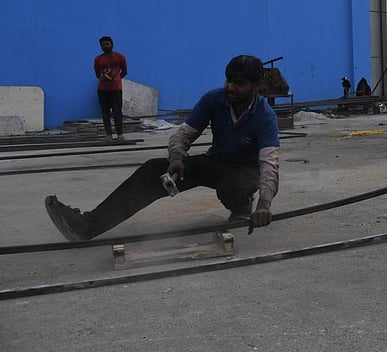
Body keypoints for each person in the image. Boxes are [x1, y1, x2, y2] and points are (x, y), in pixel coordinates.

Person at [44, 55, 280, 241]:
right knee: (152, 170)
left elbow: (269, 163)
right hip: (215, 162)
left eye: (239, 83)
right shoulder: (214, 99)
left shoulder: (265, 117)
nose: (231, 87)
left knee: (234, 185)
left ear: (256, 85)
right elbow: (184, 133)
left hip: (246, 171)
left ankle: (241, 207)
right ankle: (87, 226)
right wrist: (176, 157)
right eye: (228, 80)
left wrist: (265, 204)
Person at [94, 35, 128, 141]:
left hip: (116, 90)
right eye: (103, 45)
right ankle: (108, 134)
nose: (105, 46)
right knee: (105, 113)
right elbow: (97, 73)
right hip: (102, 90)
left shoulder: (120, 57)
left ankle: (120, 134)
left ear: (112, 44)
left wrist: (116, 80)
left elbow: (124, 71)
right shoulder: (98, 59)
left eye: (107, 44)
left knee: (117, 112)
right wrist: (106, 80)